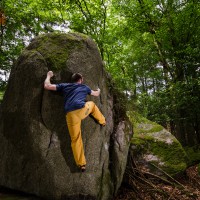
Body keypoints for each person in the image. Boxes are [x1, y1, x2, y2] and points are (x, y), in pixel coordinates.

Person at [44, 71, 106, 172]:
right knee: (92, 105)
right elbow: (96, 94)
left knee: (75, 139)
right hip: (82, 110)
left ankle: (81, 164)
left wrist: (48, 75)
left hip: (71, 115)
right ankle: (103, 121)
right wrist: (98, 90)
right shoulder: (84, 87)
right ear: (80, 80)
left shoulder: (64, 86)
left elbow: (47, 86)